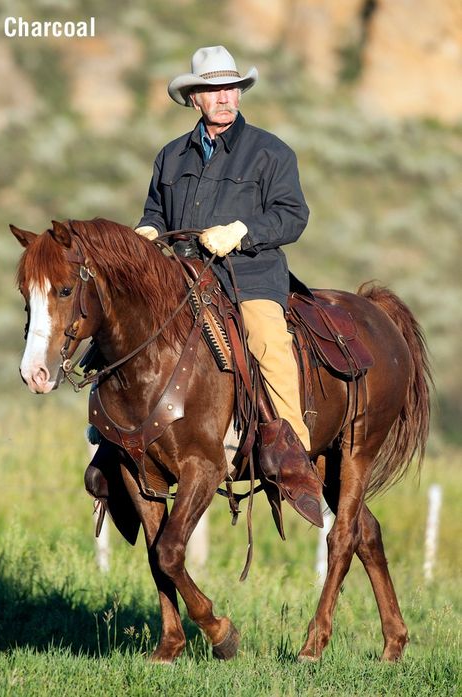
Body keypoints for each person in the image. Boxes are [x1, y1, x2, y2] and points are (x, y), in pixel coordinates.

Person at [136, 46, 323, 527]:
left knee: (267, 342)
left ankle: (294, 456)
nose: (224, 97)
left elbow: (292, 215)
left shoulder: (270, 150)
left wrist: (242, 232)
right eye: (213, 89)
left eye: (230, 87)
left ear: (239, 92)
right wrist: (148, 232)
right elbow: (155, 212)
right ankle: (118, 429)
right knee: (128, 330)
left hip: (249, 276)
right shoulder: (170, 156)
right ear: (194, 98)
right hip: (182, 277)